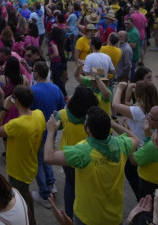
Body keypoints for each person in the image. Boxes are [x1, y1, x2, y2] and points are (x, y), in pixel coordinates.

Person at [44, 106, 137, 225]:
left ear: (89, 129)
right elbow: (135, 139)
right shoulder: (121, 144)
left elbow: (49, 157)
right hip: (114, 216)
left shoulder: (83, 151)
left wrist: (51, 131)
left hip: (87, 218)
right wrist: (113, 124)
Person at [0, 85, 45, 225]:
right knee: (25, 193)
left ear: (17, 101)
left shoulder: (17, 124)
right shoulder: (39, 114)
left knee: (21, 202)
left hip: (18, 170)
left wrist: (4, 108)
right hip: (30, 164)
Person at [56, 86, 98, 220]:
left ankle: (68, 215)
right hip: (90, 155)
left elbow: (55, 125)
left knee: (70, 183)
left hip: (68, 156)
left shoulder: (63, 114)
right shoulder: (95, 116)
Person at [30, 61, 65, 209]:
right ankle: (51, 184)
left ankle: (45, 194)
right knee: (47, 158)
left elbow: (29, 113)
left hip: (38, 133)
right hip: (52, 131)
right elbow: (61, 110)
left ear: (36, 73)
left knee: (38, 161)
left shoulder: (33, 91)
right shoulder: (56, 89)